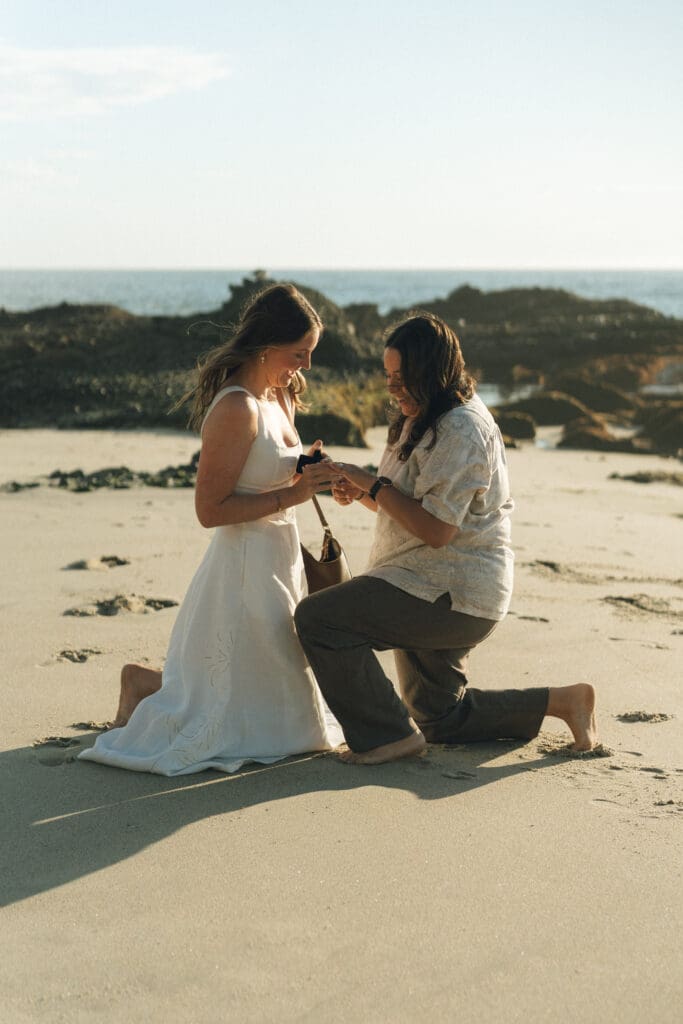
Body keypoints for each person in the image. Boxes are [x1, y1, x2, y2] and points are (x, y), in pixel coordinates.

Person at [294, 312, 598, 765]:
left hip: (450, 593)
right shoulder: (418, 415)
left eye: (403, 378)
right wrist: (360, 490)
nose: (393, 389)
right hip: (419, 579)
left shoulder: (461, 429)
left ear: (433, 373)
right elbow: (408, 503)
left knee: (320, 619)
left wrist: (372, 485)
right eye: (389, 377)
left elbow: (437, 530)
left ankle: (385, 737)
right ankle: (564, 701)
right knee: (441, 718)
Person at [79, 284, 341, 776]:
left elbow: (272, 464)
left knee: (285, 710)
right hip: (242, 567)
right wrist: (295, 494)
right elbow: (210, 510)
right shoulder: (235, 408)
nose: (305, 366)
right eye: (299, 354)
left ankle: (147, 684)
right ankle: (142, 685)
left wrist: (312, 468)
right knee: (249, 717)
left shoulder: (280, 395)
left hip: (281, 558)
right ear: (268, 344)